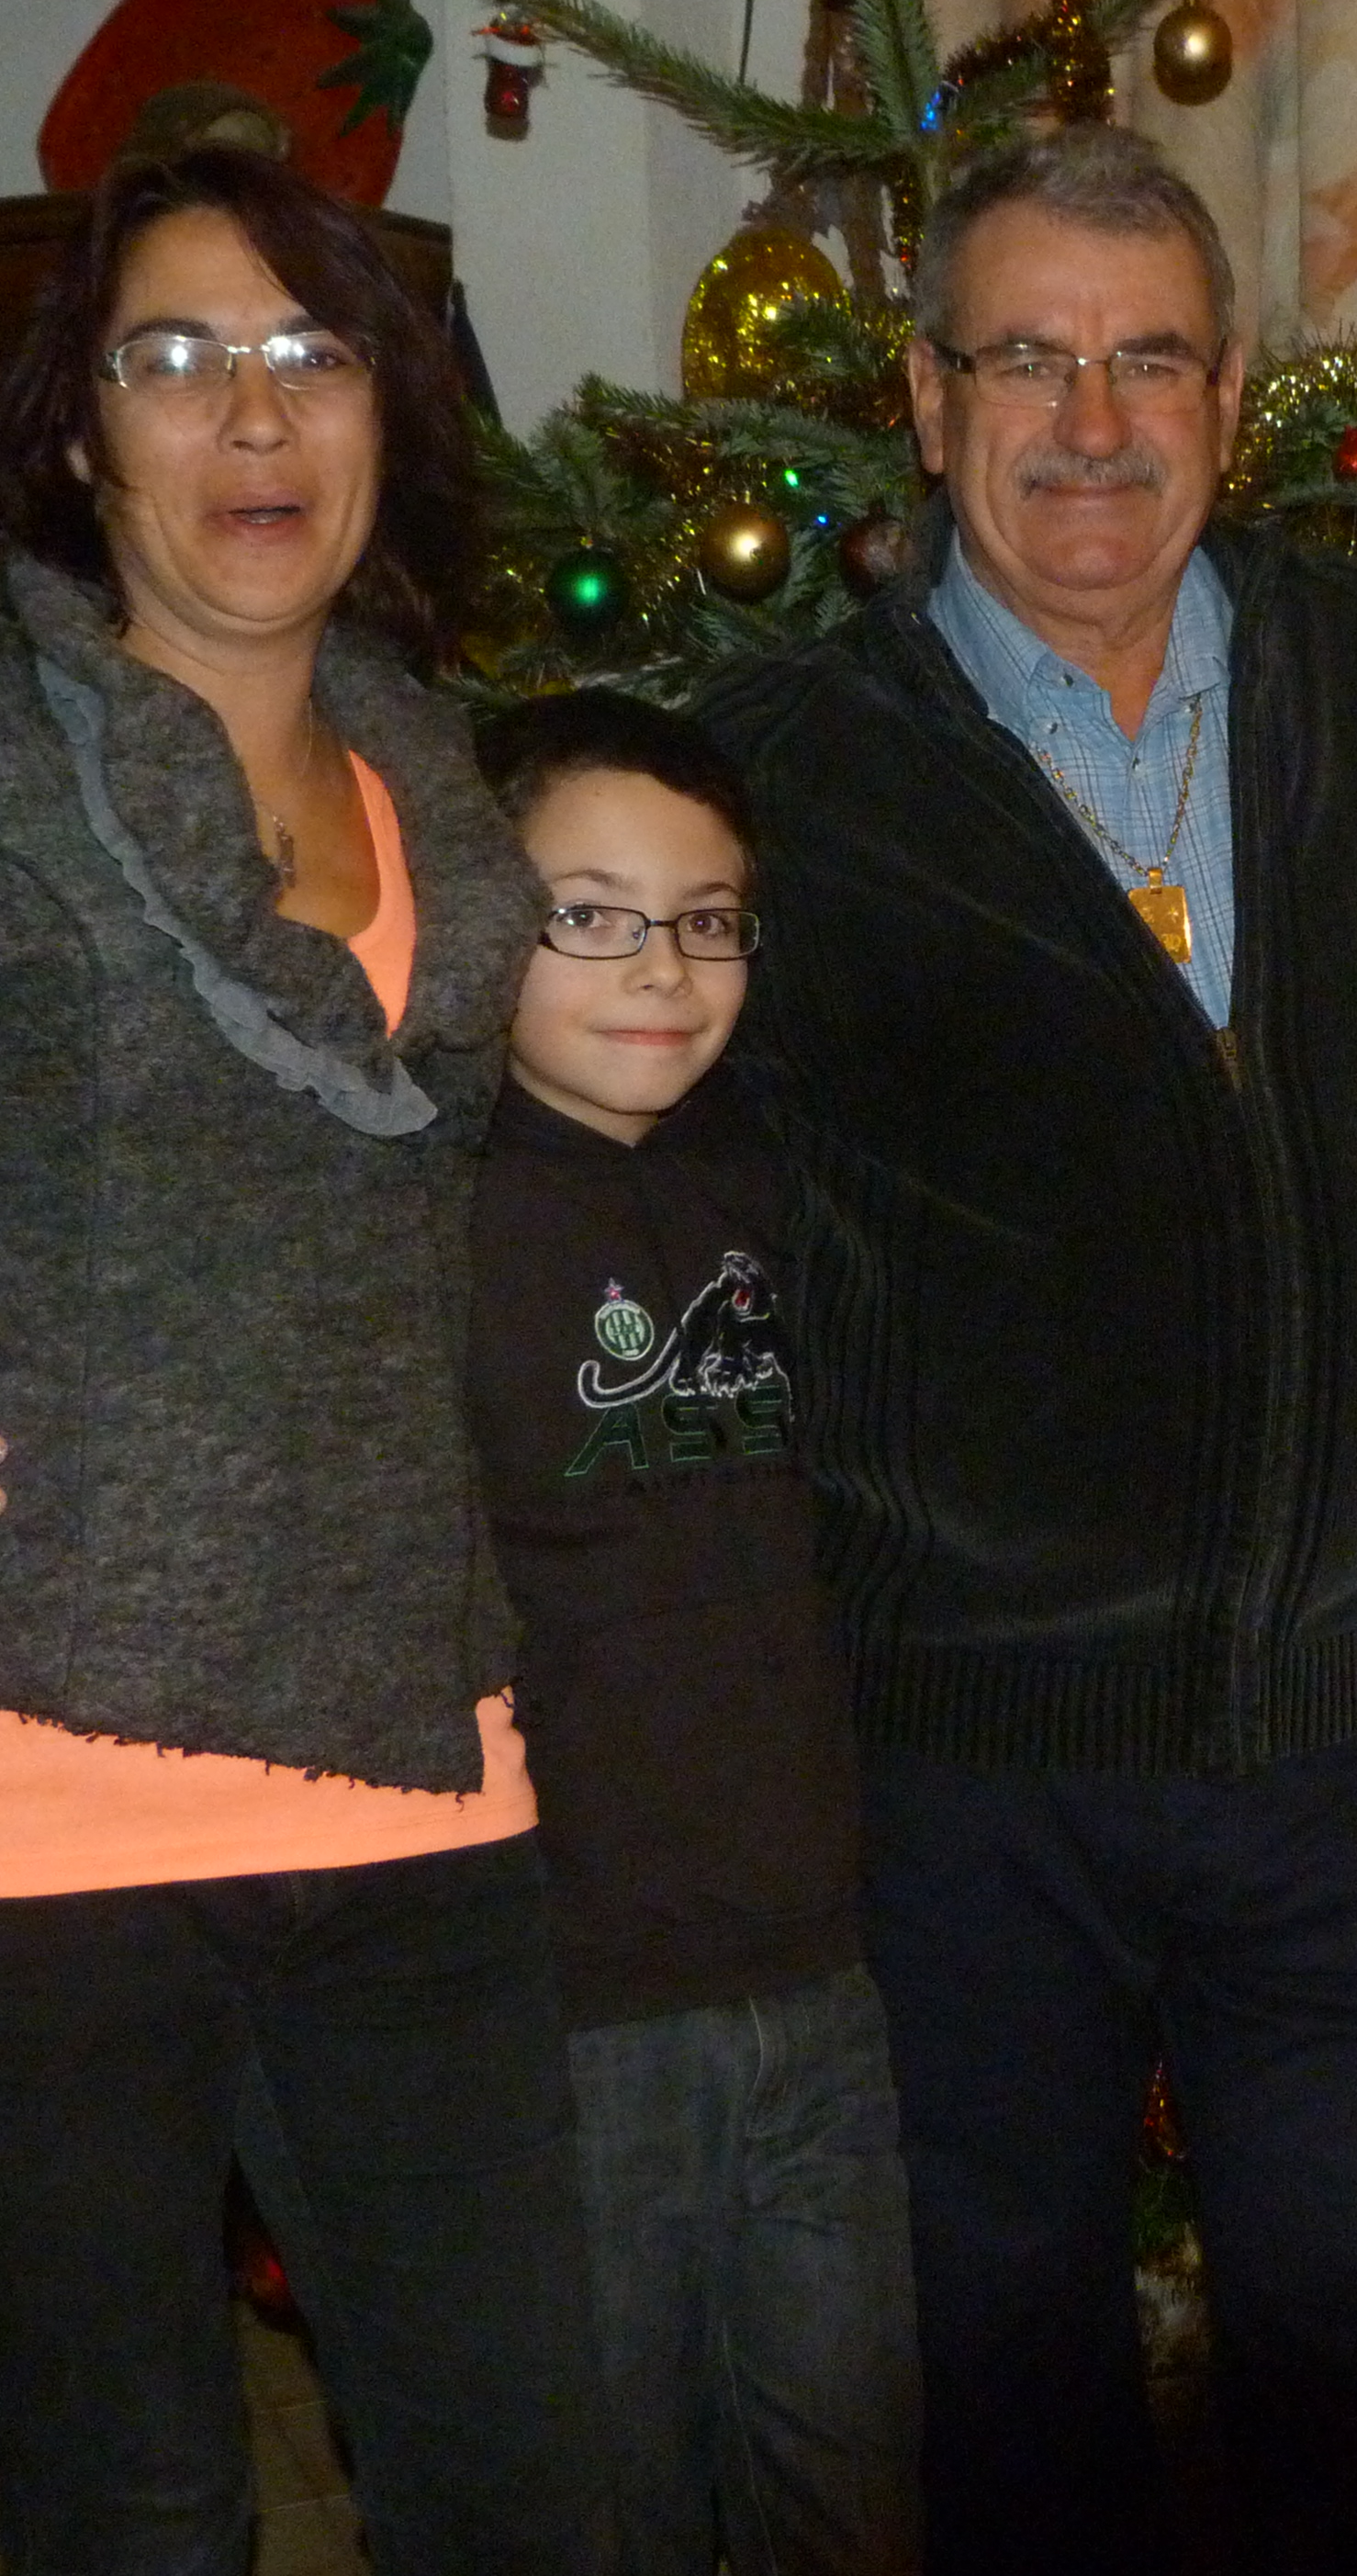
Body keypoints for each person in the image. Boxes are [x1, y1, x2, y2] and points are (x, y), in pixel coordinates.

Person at [689, 120, 1357, 2576]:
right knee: (1008, 2417)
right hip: (964, 1783)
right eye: (1027, 359)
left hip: (1348, 1762)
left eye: (1148, 361)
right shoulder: (773, 779)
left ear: (1229, 396)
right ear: (926, 399)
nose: (1091, 425)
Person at [0, 148, 601, 2572]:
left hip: (415, 1784)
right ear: (82, 433)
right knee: (137, 2515)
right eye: (173, 358)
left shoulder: (444, 791)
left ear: (386, 414)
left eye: (310, 353)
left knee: (520, 2490)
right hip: (21, 1811)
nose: (253, 416)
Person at [466, 687, 923, 2576]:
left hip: (819, 1973)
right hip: (558, 2008)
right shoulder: (415, 1206)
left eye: (706, 918)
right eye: (588, 914)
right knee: (609, 2503)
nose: (659, 967)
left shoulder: (791, 1171)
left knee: (854, 2494)